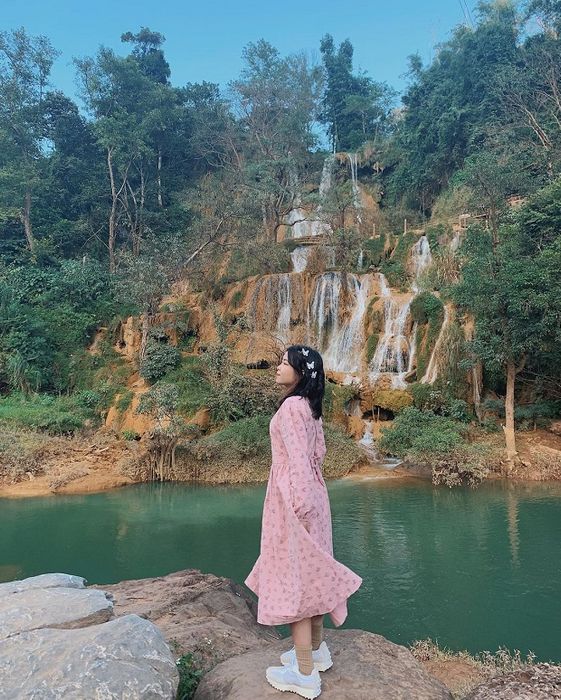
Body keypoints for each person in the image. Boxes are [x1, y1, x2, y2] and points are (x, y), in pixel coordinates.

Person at [245, 345, 362, 699]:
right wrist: (310, 497)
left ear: (301, 372)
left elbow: (297, 459)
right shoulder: (310, 407)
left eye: (285, 363)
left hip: (294, 497)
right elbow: (317, 454)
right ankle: (316, 650)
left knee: (296, 576)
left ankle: (305, 673)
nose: (278, 367)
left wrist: (298, 505)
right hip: (314, 491)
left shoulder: (292, 407)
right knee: (313, 570)